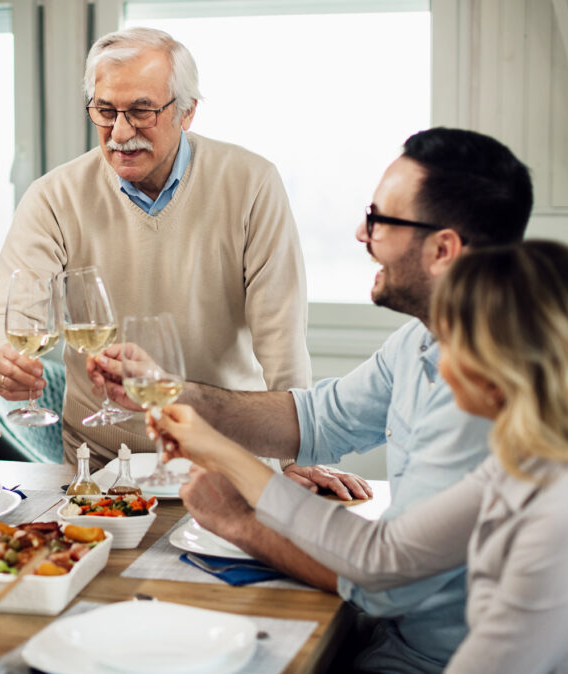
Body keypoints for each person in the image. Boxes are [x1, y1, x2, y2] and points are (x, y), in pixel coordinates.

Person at [98, 127, 534, 671]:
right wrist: (171, 391)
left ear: (443, 249)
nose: (360, 232)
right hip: (388, 637)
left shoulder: (485, 391)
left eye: (379, 220)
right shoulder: (422, 339)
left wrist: (241, 523)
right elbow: (316, 421)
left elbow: (384, 582)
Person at [154, 240, 568, 673]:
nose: (430, 351)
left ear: (498, 368)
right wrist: (219, 449)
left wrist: (232, 490)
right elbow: (380, 558)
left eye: (449, 335)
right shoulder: (534, 459)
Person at [0, 27, 356, 496]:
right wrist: (8, 359)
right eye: (104, 111)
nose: (120, 133)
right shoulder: (53, 197)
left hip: (227, 453)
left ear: (187, 111)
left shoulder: (252, 183)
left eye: (140, 111)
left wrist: (297, 454)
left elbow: (280, 335)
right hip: (102, 462)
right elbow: (10, 314)